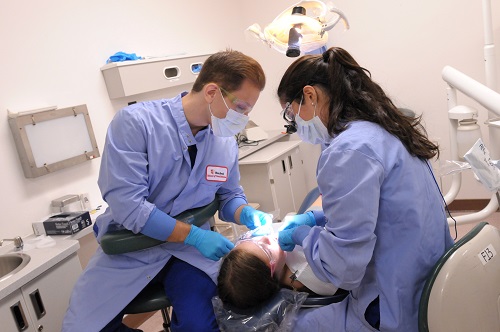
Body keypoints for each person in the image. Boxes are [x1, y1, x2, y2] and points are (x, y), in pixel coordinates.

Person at [62, 49, 272, 332]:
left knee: (201, 326)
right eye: (242, 107)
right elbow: (129, 206)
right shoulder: (137, 124)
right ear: (212, 92)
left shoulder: (224, 142)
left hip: (188, 255)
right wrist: (195, 235)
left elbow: (228, 195)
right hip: (133, 247)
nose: (244, 117)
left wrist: (244, 212)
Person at [275, 47, 454, 331]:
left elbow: (341, 269)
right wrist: (316, 219)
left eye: (290, 112)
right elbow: (381, 209)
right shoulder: (381, 127)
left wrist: (302, 235)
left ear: (309, 95)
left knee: (291, 325)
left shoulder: (349, 150)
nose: (293, 123)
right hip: (427, 280)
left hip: (394, 305)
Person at [217, 225, 339, 310]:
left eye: (252, 240)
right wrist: (307, 235)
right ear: (270, 275)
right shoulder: (309, 273)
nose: (265, 238)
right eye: (265, 249)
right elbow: (346, 256)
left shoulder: (282, 261)